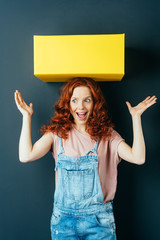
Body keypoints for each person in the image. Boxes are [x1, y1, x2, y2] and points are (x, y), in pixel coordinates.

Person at [14, 77, 157, 240]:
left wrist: (136, 117)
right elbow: (25, 155)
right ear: (68, 104)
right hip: (63, 223)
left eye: (87, 100)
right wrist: (27, 117)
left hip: (99, 223)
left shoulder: (108, 136)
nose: (80, 106)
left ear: (95, 103)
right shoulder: (57, 134)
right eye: (74, 100)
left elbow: (138, 158)